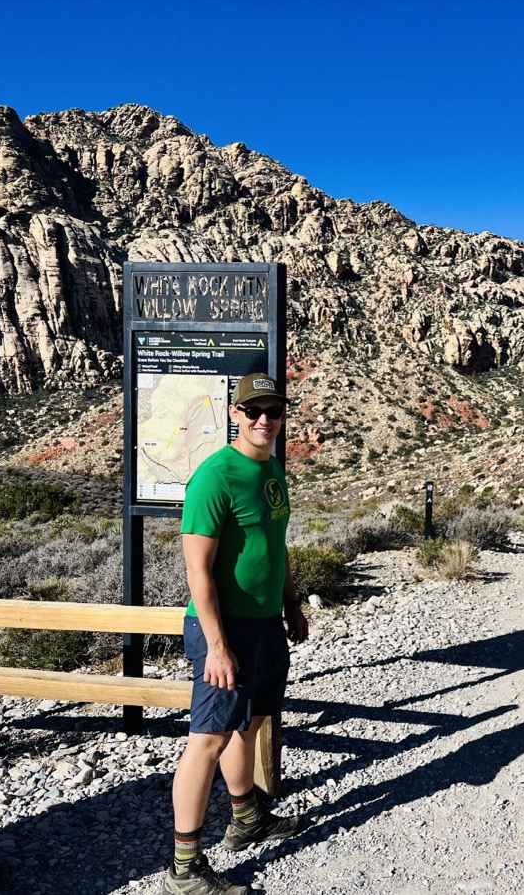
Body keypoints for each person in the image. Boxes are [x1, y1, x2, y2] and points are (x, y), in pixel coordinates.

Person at [164, 372, 309, 895]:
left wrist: (290, 602)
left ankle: (246, 818)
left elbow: (277, 543)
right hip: (224, 630)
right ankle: (183, 868)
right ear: (234, 415)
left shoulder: (271, 469)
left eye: (273, 411)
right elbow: (197, 571)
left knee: (248, 723)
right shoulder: (215, 476)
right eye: (253, 411)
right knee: (207, 738)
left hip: (265, 622)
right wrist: (218, 645)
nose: (264, 420)